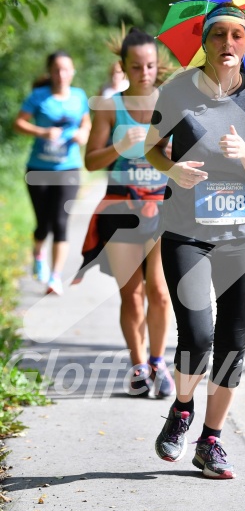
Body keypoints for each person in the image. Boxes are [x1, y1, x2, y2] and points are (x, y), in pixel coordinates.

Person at [145, 2, 245, 478]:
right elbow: (153, 149)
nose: (229, 44)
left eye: (238, 37)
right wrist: (173, 168)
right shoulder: (178, 90)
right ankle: (181, 408)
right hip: (187, 232)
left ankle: (210, 441)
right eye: (219, 35)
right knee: (199, 333)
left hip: (242, 239)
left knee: (232, 342)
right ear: (203, 42)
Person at [78, 27, 175, 398]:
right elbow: (90, 162)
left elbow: (181, 158)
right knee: (131, 294)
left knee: (161, 292)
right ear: (123, 66)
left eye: (150, 66)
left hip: (162, 206)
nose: (145, 73)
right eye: (136, 67)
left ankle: (158, 362)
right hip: (120, 205)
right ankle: (138, 367)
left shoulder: (171, 105)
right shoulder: (109, 108)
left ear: (157, 66)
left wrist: (169, 153)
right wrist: (119, 145)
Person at [13, 50, 91, 296]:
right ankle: (38, 253)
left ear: (72, 72)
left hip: (68, 168)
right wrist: (42, 133)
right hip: (38, 169)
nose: (61, 74)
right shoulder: (39, 96)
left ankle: (55, 276)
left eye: (65, 69)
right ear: (50, 72)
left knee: (60, 221)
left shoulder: (79, 96)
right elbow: (19, 123)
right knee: (43, 223)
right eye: (56, 70)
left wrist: (84, 134)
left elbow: (86, 122)